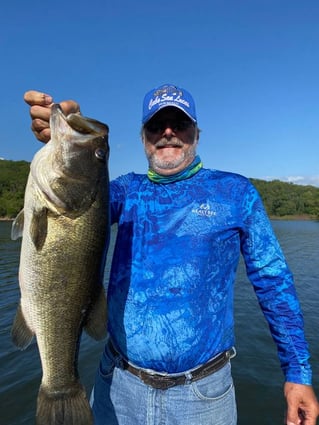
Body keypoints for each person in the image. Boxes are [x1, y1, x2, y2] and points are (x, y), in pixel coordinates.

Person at [24, 84, 319, 425]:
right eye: (156, 125)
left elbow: (274, 283)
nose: (168, 133)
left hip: (204, 397)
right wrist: (63, 136)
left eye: (179, 124)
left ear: (196, 132)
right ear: (143, 138)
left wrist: (297, 373)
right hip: (117, 383)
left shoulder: (236, 193)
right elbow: (72, 209)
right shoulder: (123, 191)